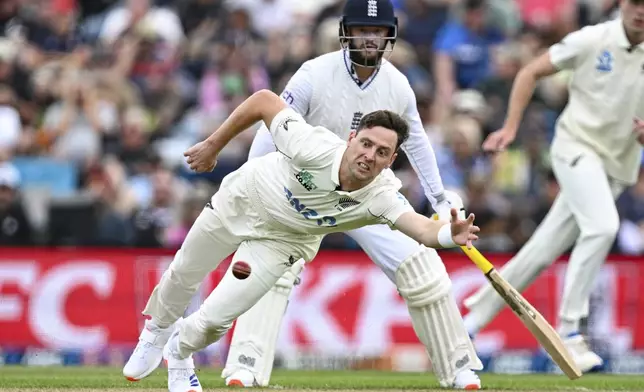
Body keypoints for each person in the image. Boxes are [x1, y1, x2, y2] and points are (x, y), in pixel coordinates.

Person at [121, 88, 481, 392]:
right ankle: (154, 332)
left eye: (381, 152)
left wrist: (451, 233)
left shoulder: (382, 195)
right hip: (244, 201)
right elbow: (264, 100)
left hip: (283, 241)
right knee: (185, 270)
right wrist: (214, 145)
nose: (369, 156)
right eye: (366, 144)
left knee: (216, 320)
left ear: (391, 160)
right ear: (352, 138)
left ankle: (180, 352)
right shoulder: (314, 146)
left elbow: (421, 230)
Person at [223, 0, 482, 389]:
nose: (371, 38)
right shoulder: (314, 73)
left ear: (389, 35)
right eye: (363, 30)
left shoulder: (397, 83)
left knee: (420, 267)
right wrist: (250, 184)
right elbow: (271, 126)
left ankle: (460, 368)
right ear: (347, 32)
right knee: (269, 269)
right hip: (304, 187)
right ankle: (246, 364)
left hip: (367, 192)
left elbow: (417, 143)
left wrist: (441, 201)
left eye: (378, 32)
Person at [462, 0, 644, 373]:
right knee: (603, 227)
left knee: (542, 250)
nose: (641, 11)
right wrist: (510, 128)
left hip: (615, 166)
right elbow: (530, 71)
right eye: (636, 3)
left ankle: (469, 322)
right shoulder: (592, 39)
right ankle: (570, 331)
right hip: (575, 148)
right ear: (623, 4)